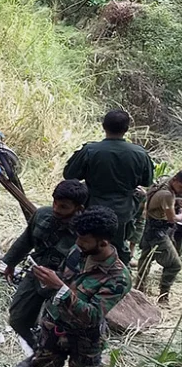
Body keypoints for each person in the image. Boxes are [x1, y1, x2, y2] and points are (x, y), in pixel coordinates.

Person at [23, 206, 130, 367]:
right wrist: (48, 281)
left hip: (86, 339)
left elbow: (92, 314)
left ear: (103, 242)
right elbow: (64, 278)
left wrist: (59, 287)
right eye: (78, 237)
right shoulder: (78, 251)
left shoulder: (118, 277)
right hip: (54, 328)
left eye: (84, 239)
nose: (78, 242)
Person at [2, 180, 89, 367]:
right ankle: (37, 354)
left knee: (50, 335)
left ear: (79, 208)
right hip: (37, 274)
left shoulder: (86, 232)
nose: (57, 209)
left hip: (64, 285)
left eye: (64, 206)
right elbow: (26, 240)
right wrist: (10, 263)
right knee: (18, 319)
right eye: (56, 203)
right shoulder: (42, 215)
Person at [63, 109, 154, 265]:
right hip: (123, 210)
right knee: (118, 247)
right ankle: (120, 275)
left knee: (86, 244)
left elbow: (70, 174)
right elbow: (147, 181)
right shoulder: (140, 153)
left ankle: (81, 274)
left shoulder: (90, 150)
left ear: (104, 126)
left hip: (93, 207)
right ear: (126, 129)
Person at [135, 171, 182, 305]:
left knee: (145, 259)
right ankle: (163, 296)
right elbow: (172, 218)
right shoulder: (167, 194)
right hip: (158, 232)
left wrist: (176, 201)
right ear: (175, 180)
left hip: (149, 226)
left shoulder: (164, 183)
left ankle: (139, 288)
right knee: (175, 265)